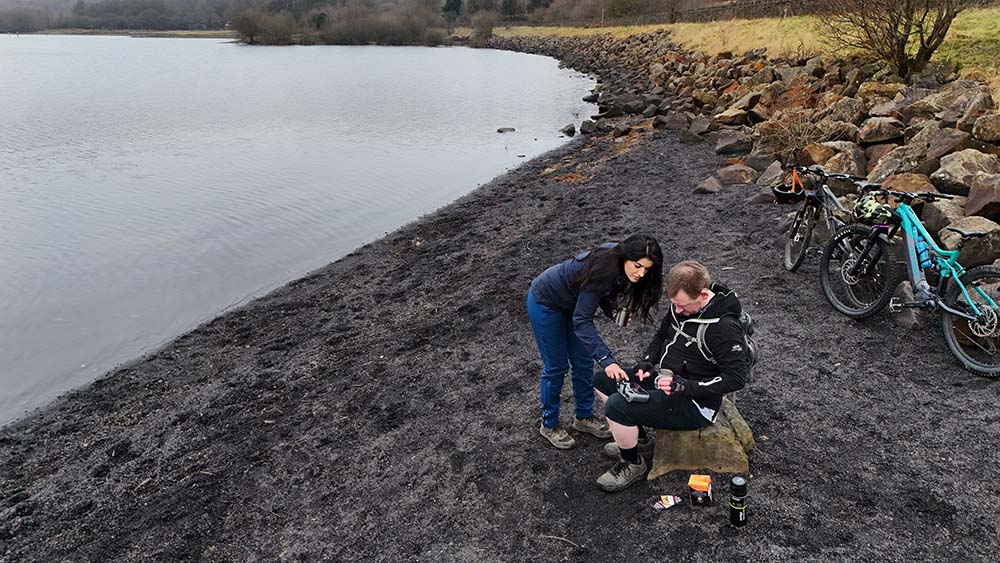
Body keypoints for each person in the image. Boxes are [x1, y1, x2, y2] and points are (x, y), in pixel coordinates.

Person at [591, 260, 749, 491]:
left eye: (683, 306)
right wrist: (647, 361)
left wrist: (684, 386)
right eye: (674, 304)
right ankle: (640, 441)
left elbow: (736, 378)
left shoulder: (724, 328)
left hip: (695, 403)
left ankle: (632, 463)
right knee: (605, 380)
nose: (677, 311)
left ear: (703, 294)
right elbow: (661, 335)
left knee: (617, 405)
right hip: (665, 381)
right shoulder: (681, 304)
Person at [527, 234, 664, 449]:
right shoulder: (603, 267)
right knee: (557, 366)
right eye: (637, 266)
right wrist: (607, 360)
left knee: (583, 363)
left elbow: (602, 294)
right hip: (546, 302)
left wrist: (612, 310)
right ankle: (549, 424)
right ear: (626, 256)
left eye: (646, 269)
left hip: (573, 304)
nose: (640, 273)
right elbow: (582, 321)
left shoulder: (619, 267)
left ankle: (583, 417)